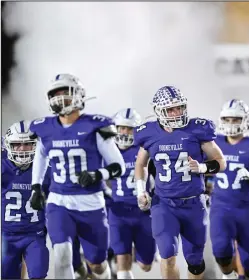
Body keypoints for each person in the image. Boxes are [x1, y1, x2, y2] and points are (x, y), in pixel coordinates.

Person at [29, 73, 126, 279]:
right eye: (55, 94)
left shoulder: (95, 126)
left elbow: (118, 166)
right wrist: (36, 187)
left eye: (65, 92)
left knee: (97, 264)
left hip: (91, 203)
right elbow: (41, 157)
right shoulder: (45, 128)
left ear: (79, 95)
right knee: (62, 254)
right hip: (59, 200)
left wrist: (97, 174)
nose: (60, 98)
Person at [134, 85, 226, 279]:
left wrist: (202, 168)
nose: (177, 113)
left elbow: (221, 162)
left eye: (180, 107)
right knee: (167, 255)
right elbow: (141, 164)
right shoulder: (149, 133)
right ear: (159, 111)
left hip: (194, 203)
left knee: (194, 260)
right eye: (171, 109)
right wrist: (141, 190)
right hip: (164, 204)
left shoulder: (197, 130)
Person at [210, 99, 249, 280]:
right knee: (221, 253)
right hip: (221, 206)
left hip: (247, 208)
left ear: (245, 120)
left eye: (236, 119)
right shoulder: (214, 142)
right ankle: (229, 276)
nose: (231, 124)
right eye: (227, 119)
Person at [108, 108, 156, 279]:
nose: (124, 132)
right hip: (119, 211)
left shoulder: (145, 150)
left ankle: (133, 250)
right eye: (121, 128)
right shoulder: (108, 150)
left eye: (129, 128)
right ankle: (121, 255)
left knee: (146, 265)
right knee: (123, 259)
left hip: (143, 211)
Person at [2, 120, 50, 279]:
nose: (22, 150)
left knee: (38, 274)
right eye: (17, 145)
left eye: (28, 144)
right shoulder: (3, 167)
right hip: (7, 235)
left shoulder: (45, 169)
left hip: (34, 235)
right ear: (8, 145)